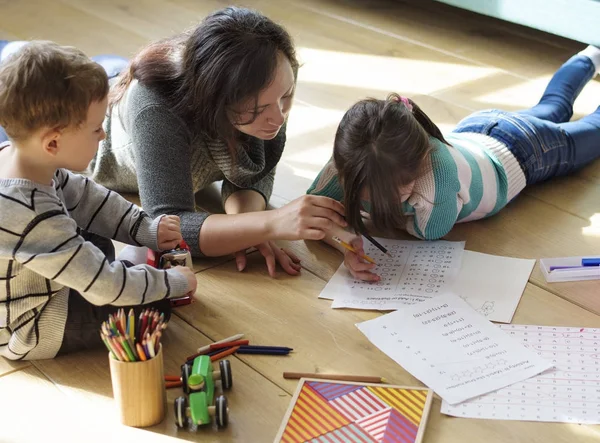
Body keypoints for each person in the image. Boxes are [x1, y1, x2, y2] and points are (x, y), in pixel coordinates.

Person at [86, 6, 346, 277]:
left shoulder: (274, 76)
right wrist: (269, 224)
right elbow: (165, 228)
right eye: (257, 110)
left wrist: (246, 227)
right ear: (214, 100)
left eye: (287, 96)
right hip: (104, 113)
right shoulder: (155, 105)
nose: (278, 118)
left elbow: (256, 167)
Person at [308, 46, 600, 282]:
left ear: (421, 162)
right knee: (553, 107)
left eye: (394, 192)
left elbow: (430, 231)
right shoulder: (351, 158)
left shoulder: (438, 176)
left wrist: (361, 216)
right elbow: (311, 209)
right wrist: (345, 242)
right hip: (480, 127)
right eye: (362, 191)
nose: (378, 201)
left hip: (525, 152)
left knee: (592, 130)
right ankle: (591, 54)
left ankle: (590, 56)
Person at [0, 41, 197, 360]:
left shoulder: (25, 160)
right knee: (154, 308)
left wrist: (145, 229)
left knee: (94, 231)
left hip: (39, 273)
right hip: (30, 323)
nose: (103, 136)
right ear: (53, 142)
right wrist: (172, 281)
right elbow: (104, 287)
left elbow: (87, 198)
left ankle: (119, 273)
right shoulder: (28, 210)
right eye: (95, 130)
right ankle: (125, 276)